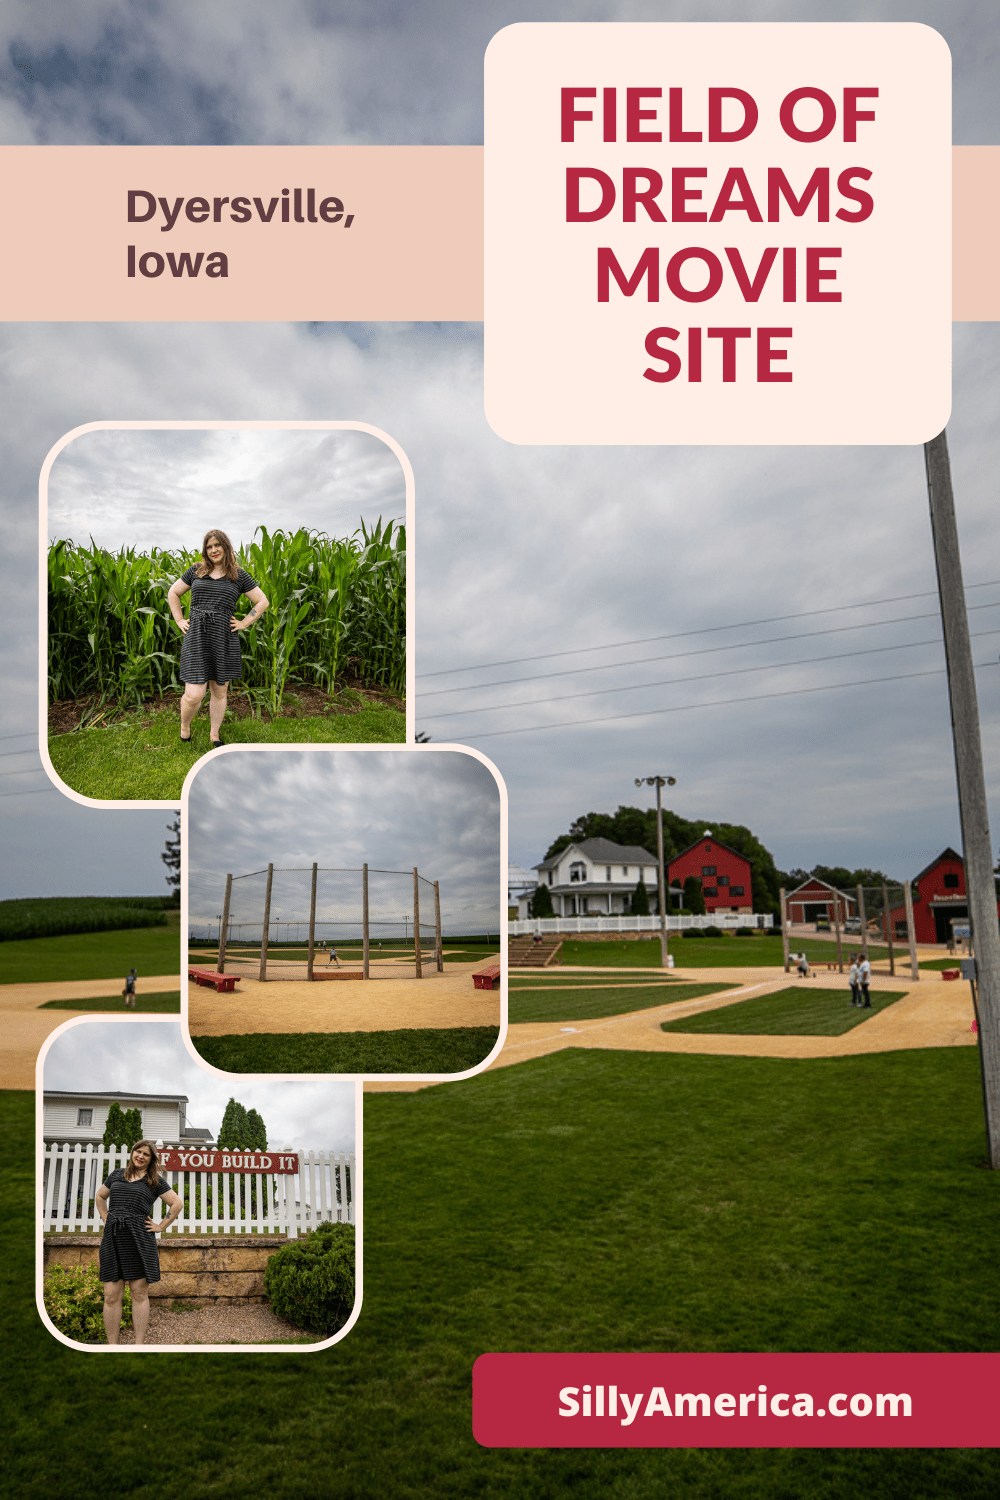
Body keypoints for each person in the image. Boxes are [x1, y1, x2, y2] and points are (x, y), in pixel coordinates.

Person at [167, 529, 269, 749]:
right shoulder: (196, 570)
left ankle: (215, 733)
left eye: (217, 545)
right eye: (209, 547)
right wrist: (179, 619)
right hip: (197, 638)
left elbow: (262, 602)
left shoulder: (239, 575)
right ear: (206, 550)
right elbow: (173, 593)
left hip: (224, 638)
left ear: (225, 547)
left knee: (219, 690)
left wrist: (243, 623)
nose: (213, 550)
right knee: (194, 695)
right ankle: (185, 726)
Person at [96, 1140, 182, 1346]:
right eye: (138, 1151)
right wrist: (105, 1216)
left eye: (146, 1154)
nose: (141, 1156)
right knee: (111, 1295)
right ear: (132, 1152)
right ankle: (112, 1347)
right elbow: (100, 1196)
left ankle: (139, 1345)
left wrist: (161, 1226)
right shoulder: (117, 1174)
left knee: (139, 1292)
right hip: (113, 1238)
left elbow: (177, 1204)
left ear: (151, 1159)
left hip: (139, 1239)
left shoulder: (155, 1180)